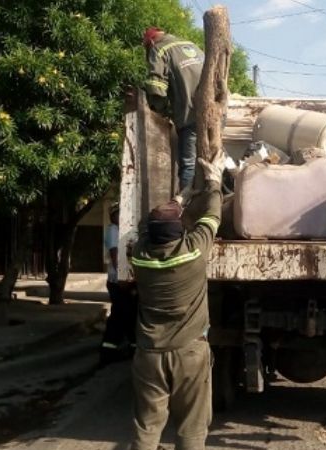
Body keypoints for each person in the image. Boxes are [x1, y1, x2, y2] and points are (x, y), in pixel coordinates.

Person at [129, 151, 226, 450]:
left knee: (147, 425)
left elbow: (149, 226)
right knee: (192, 426)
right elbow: (212, 216)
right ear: (181, 231)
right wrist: (214, 182)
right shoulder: (194, 252)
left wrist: (181, 198)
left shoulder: (140, 256)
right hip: (188, 353)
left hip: (149, 354)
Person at [143, 27, 204, 191]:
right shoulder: (191, 45)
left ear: (150, 42)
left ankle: (186, 209)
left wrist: (160, 111)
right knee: (214, 158)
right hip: (216, 111)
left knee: (189, 164)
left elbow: (156, 86)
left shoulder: (158, 48)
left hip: (190, 113)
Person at [98, 203, 138, 367]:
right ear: (113, 216)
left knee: (127, 315)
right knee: (120, 316)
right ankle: (108, 352)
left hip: (121, 281)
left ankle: (129, 347)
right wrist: (124, 279)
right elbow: (116, 257)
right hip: (118, 282)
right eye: (118, 214)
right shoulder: (114, 231)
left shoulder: (118, 231)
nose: (121, 217)